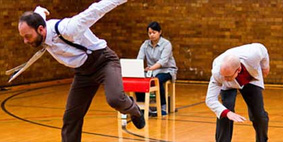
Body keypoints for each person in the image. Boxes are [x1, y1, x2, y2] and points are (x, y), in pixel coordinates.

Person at [17, 0, 145, 141]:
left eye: (27, 36)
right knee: (71, 117)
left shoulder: (68, 28)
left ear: (41, 29)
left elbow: (96, 10)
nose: (25, 41)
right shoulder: (39, 29)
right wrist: (40, 10)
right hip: (83, 72)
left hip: (103, 61)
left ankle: (135, 111)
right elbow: (38, 17)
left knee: (115, 99)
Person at [206, 43, 270, 142]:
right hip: (228, 87)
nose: (225, 79)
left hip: (251, 80)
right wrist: (227, 113)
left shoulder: (253, 55)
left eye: (228, 77)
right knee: (225, 111)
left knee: (259, 115)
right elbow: (210, 99)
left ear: (238, 70)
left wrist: (265, 66)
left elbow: (263, 49)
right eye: (224, 76)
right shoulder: (218, 73)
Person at [136, 21, 177, 115]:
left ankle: (163, 107)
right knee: (138, 80)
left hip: (167, 70)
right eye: (149, 33)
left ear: (160, 32)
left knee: (157, 80)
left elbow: (163, 61)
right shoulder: (145, 44)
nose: (152, 35)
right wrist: (138, 68)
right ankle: (142, 105)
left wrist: (151, 68)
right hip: (151, 71)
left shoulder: (166, 44)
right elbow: (139, 58)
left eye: (154, 32)